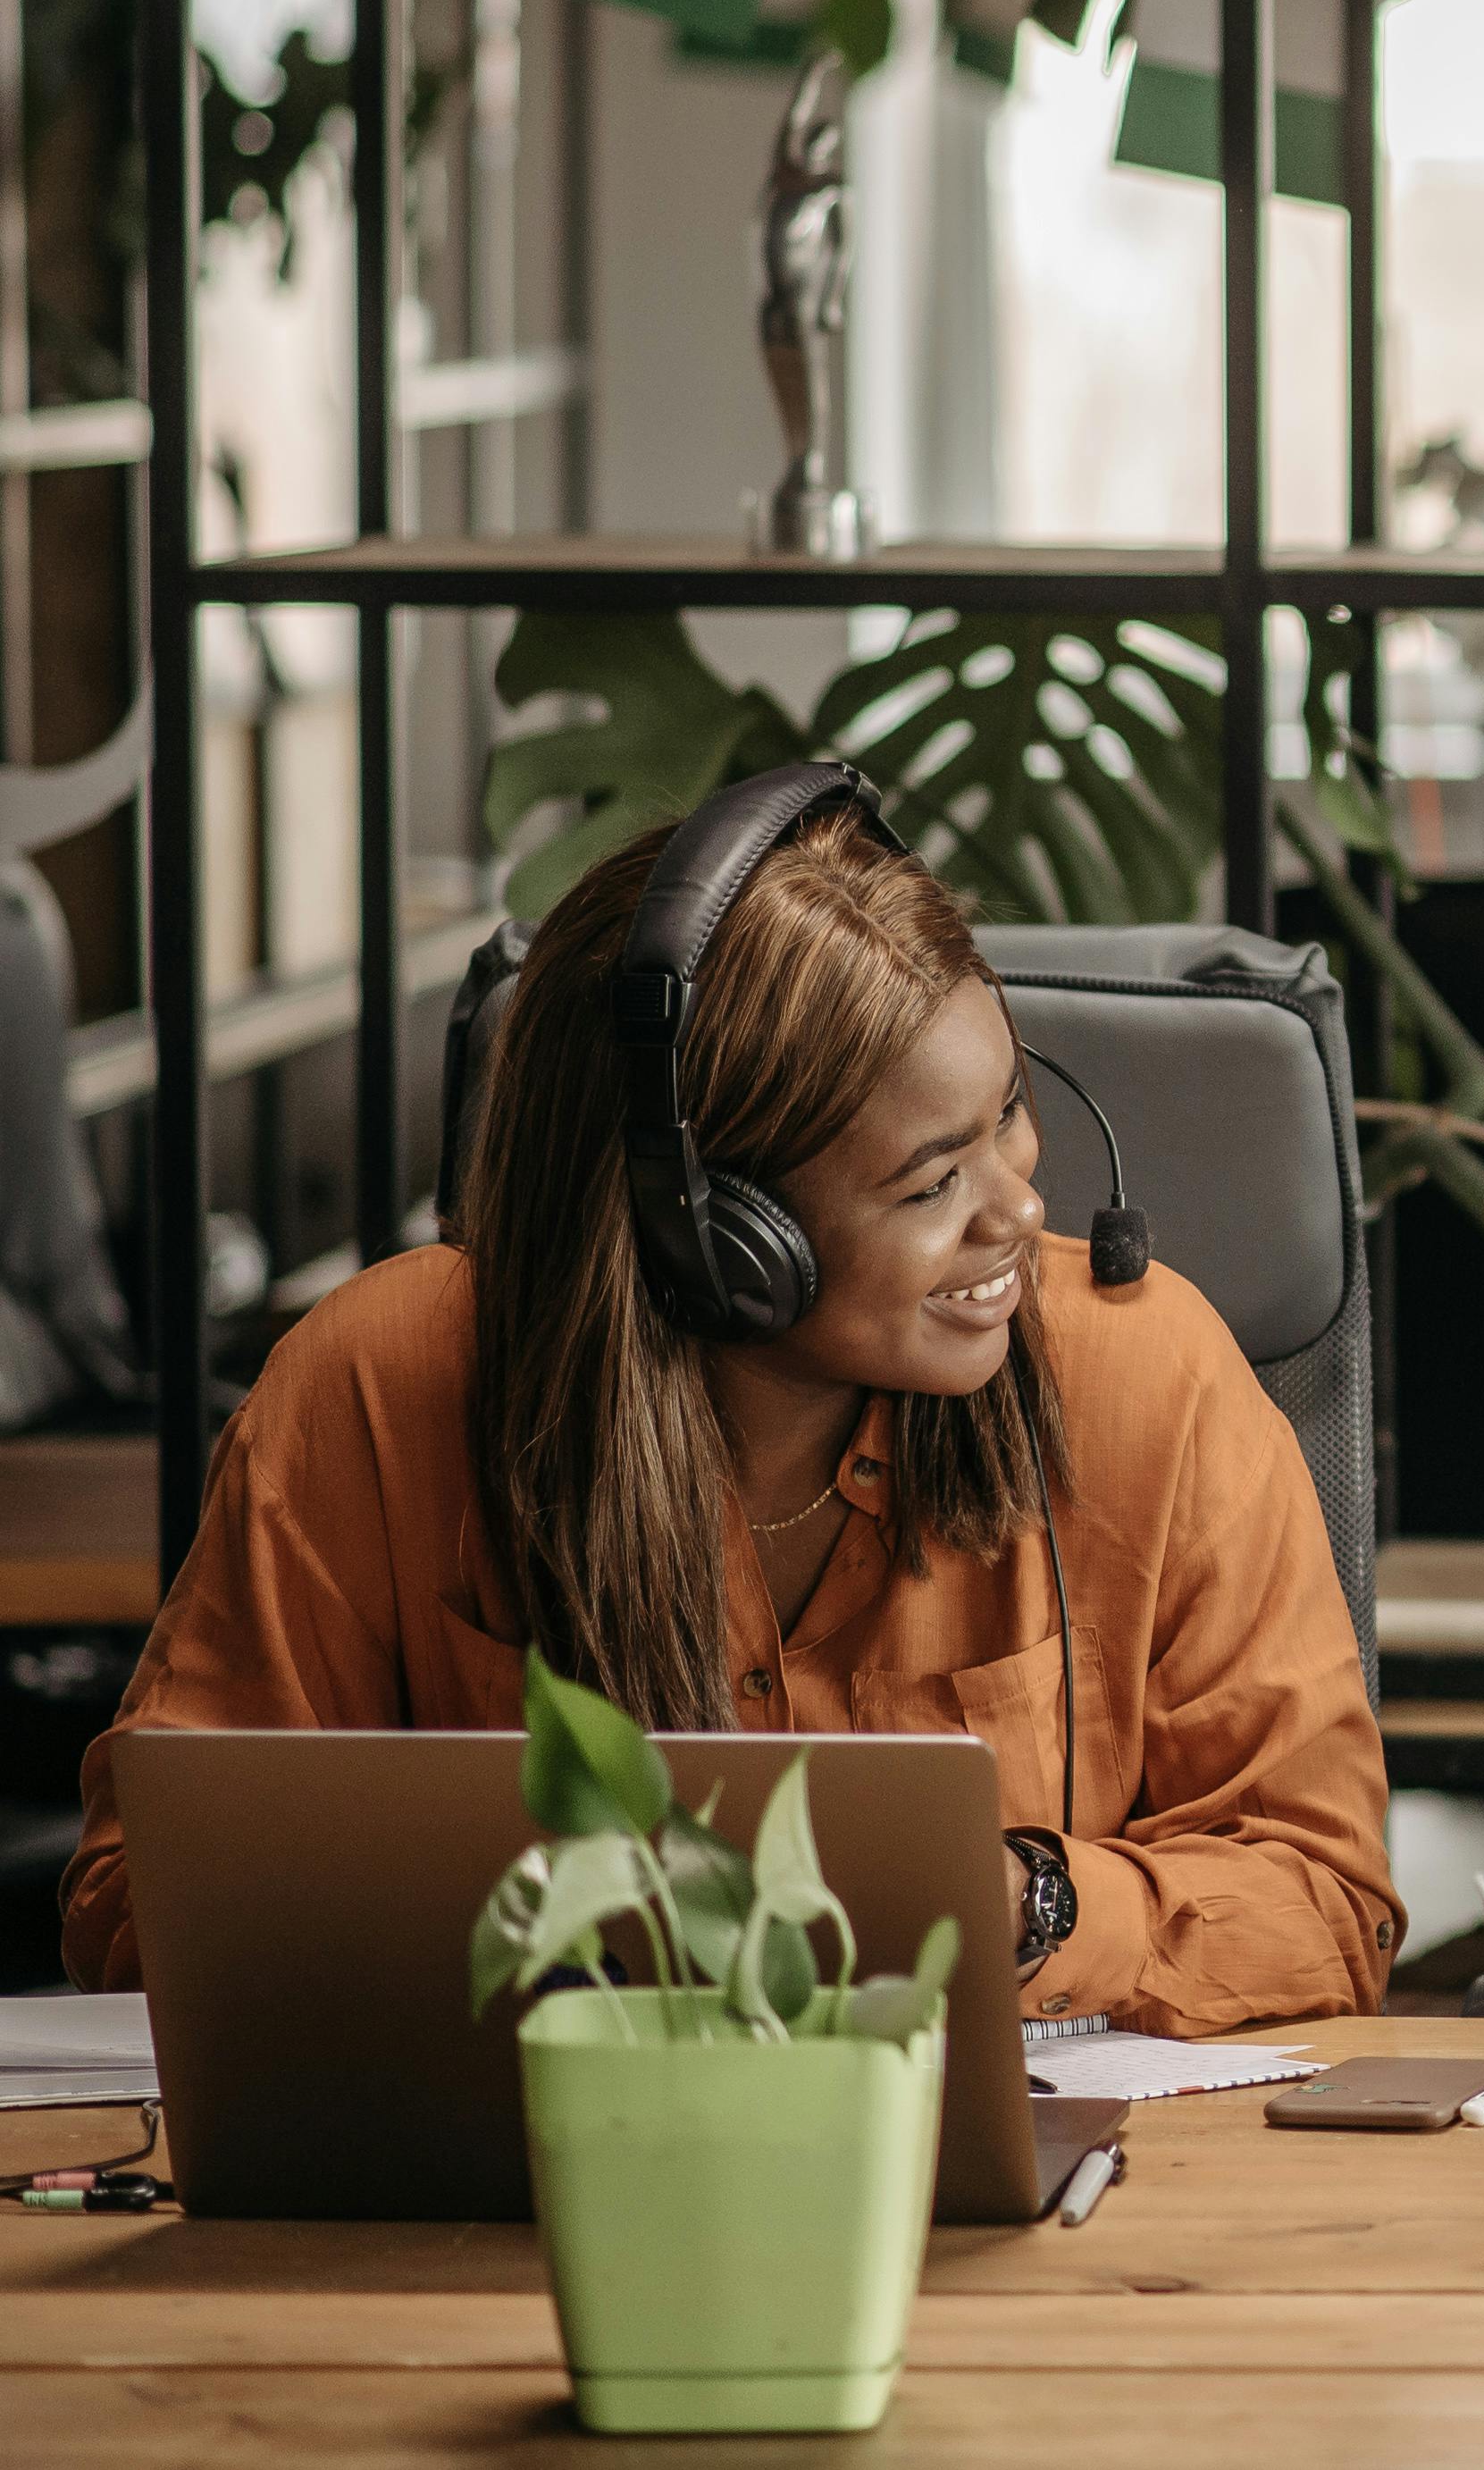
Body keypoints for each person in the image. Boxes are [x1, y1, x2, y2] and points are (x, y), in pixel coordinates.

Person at [64, 769, 1398, 2036]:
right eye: (932, 1183)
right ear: (719, 1235)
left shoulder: (1143, 1372)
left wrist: (1027, 1904)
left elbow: (1326, 1903)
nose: (1022, 1205)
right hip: (497, 2207)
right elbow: (140, 1900)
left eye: (1010, 1112)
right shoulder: (380, 1384)